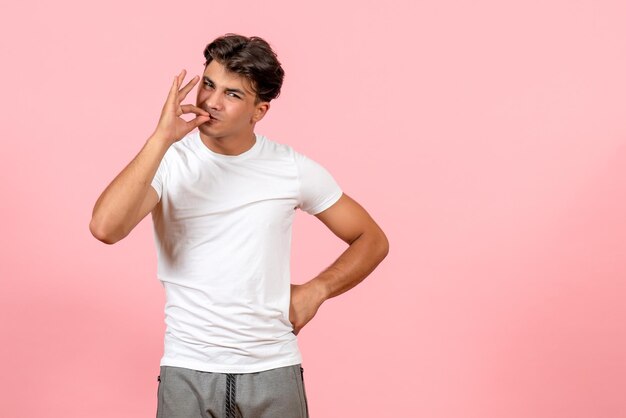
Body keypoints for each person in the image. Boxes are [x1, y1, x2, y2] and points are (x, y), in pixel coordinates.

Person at [89, 34, 389, 418]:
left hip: (272, 366)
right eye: (209, 85)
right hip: (188, 367)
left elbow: (371, 239)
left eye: (232, 95)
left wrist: (318, 290)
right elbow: (105, 228)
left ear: (258, 111)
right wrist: (160, 138)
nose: (211, 102)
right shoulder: (168, 162)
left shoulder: (290, 168)